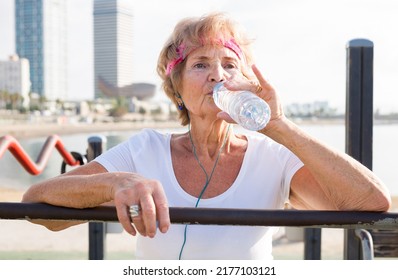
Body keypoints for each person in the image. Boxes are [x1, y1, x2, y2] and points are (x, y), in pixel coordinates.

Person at [22, 12, 391, 260]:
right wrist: (115, 183)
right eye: (201, 65)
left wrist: (278, 124)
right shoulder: (145, 149)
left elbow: (370, 203)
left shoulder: (272, 155)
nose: (218, 76)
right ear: (177, 88)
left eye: (230, 65)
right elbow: (40, 208)